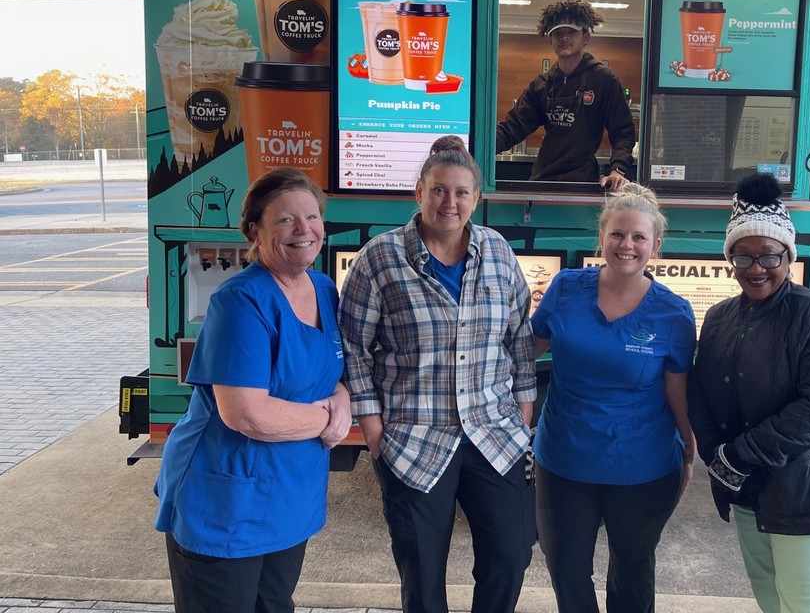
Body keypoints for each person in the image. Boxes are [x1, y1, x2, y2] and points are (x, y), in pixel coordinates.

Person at [339, 135, 536, 613]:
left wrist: (524, 418)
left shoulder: (497, 251)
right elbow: (353, 347)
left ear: (477, 197)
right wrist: (372, 428)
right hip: (412, 438)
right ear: (419, 192)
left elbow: (519, 339)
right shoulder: (380, 258)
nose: (450, 202)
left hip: (494, 434)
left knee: (511, 554)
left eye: (462, 192)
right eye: (439, 190)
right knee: (422, 572)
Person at [154, 167, 351, 613]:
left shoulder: (323, 290)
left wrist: (342, 397)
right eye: (285, 220)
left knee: (275, 605)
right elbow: (246, 413)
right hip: (226, 500)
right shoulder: (240, 302)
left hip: (290, 495)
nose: (304, 230)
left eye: (312, 217)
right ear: (254, 231)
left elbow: (329, 370)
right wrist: (330, 420)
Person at [687, 173, 810, 613]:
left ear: (788, 256)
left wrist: (740, 454)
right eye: (743, 256)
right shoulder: (719, 317)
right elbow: (701, 387)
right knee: (772, 602)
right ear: (729, 258)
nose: (756, 268)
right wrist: (716, 454)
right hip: (751, 493)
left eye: (769, 256)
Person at [531, 182, 698, 613]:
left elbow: (676, 390)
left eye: (639, 237)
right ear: (602, 238)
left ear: (655, 246)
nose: (628, 245)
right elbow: (521, 354)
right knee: (566, 569)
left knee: (632, 570)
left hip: (643, 466)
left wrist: (690, 450)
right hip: (564, 459)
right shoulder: (566, 288)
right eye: (618, 234)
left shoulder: (674, 314)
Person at [495, 0, 635, 187]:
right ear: (550, 40)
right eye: (558, 33)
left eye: (571, 32)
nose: (565, 38)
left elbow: (623, 131)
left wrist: (617, 170)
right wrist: (472, 149)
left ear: (586, 37)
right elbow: (512, 128)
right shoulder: (541, 85)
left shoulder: (604, 79)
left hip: (582, 182)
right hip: (542, 180)